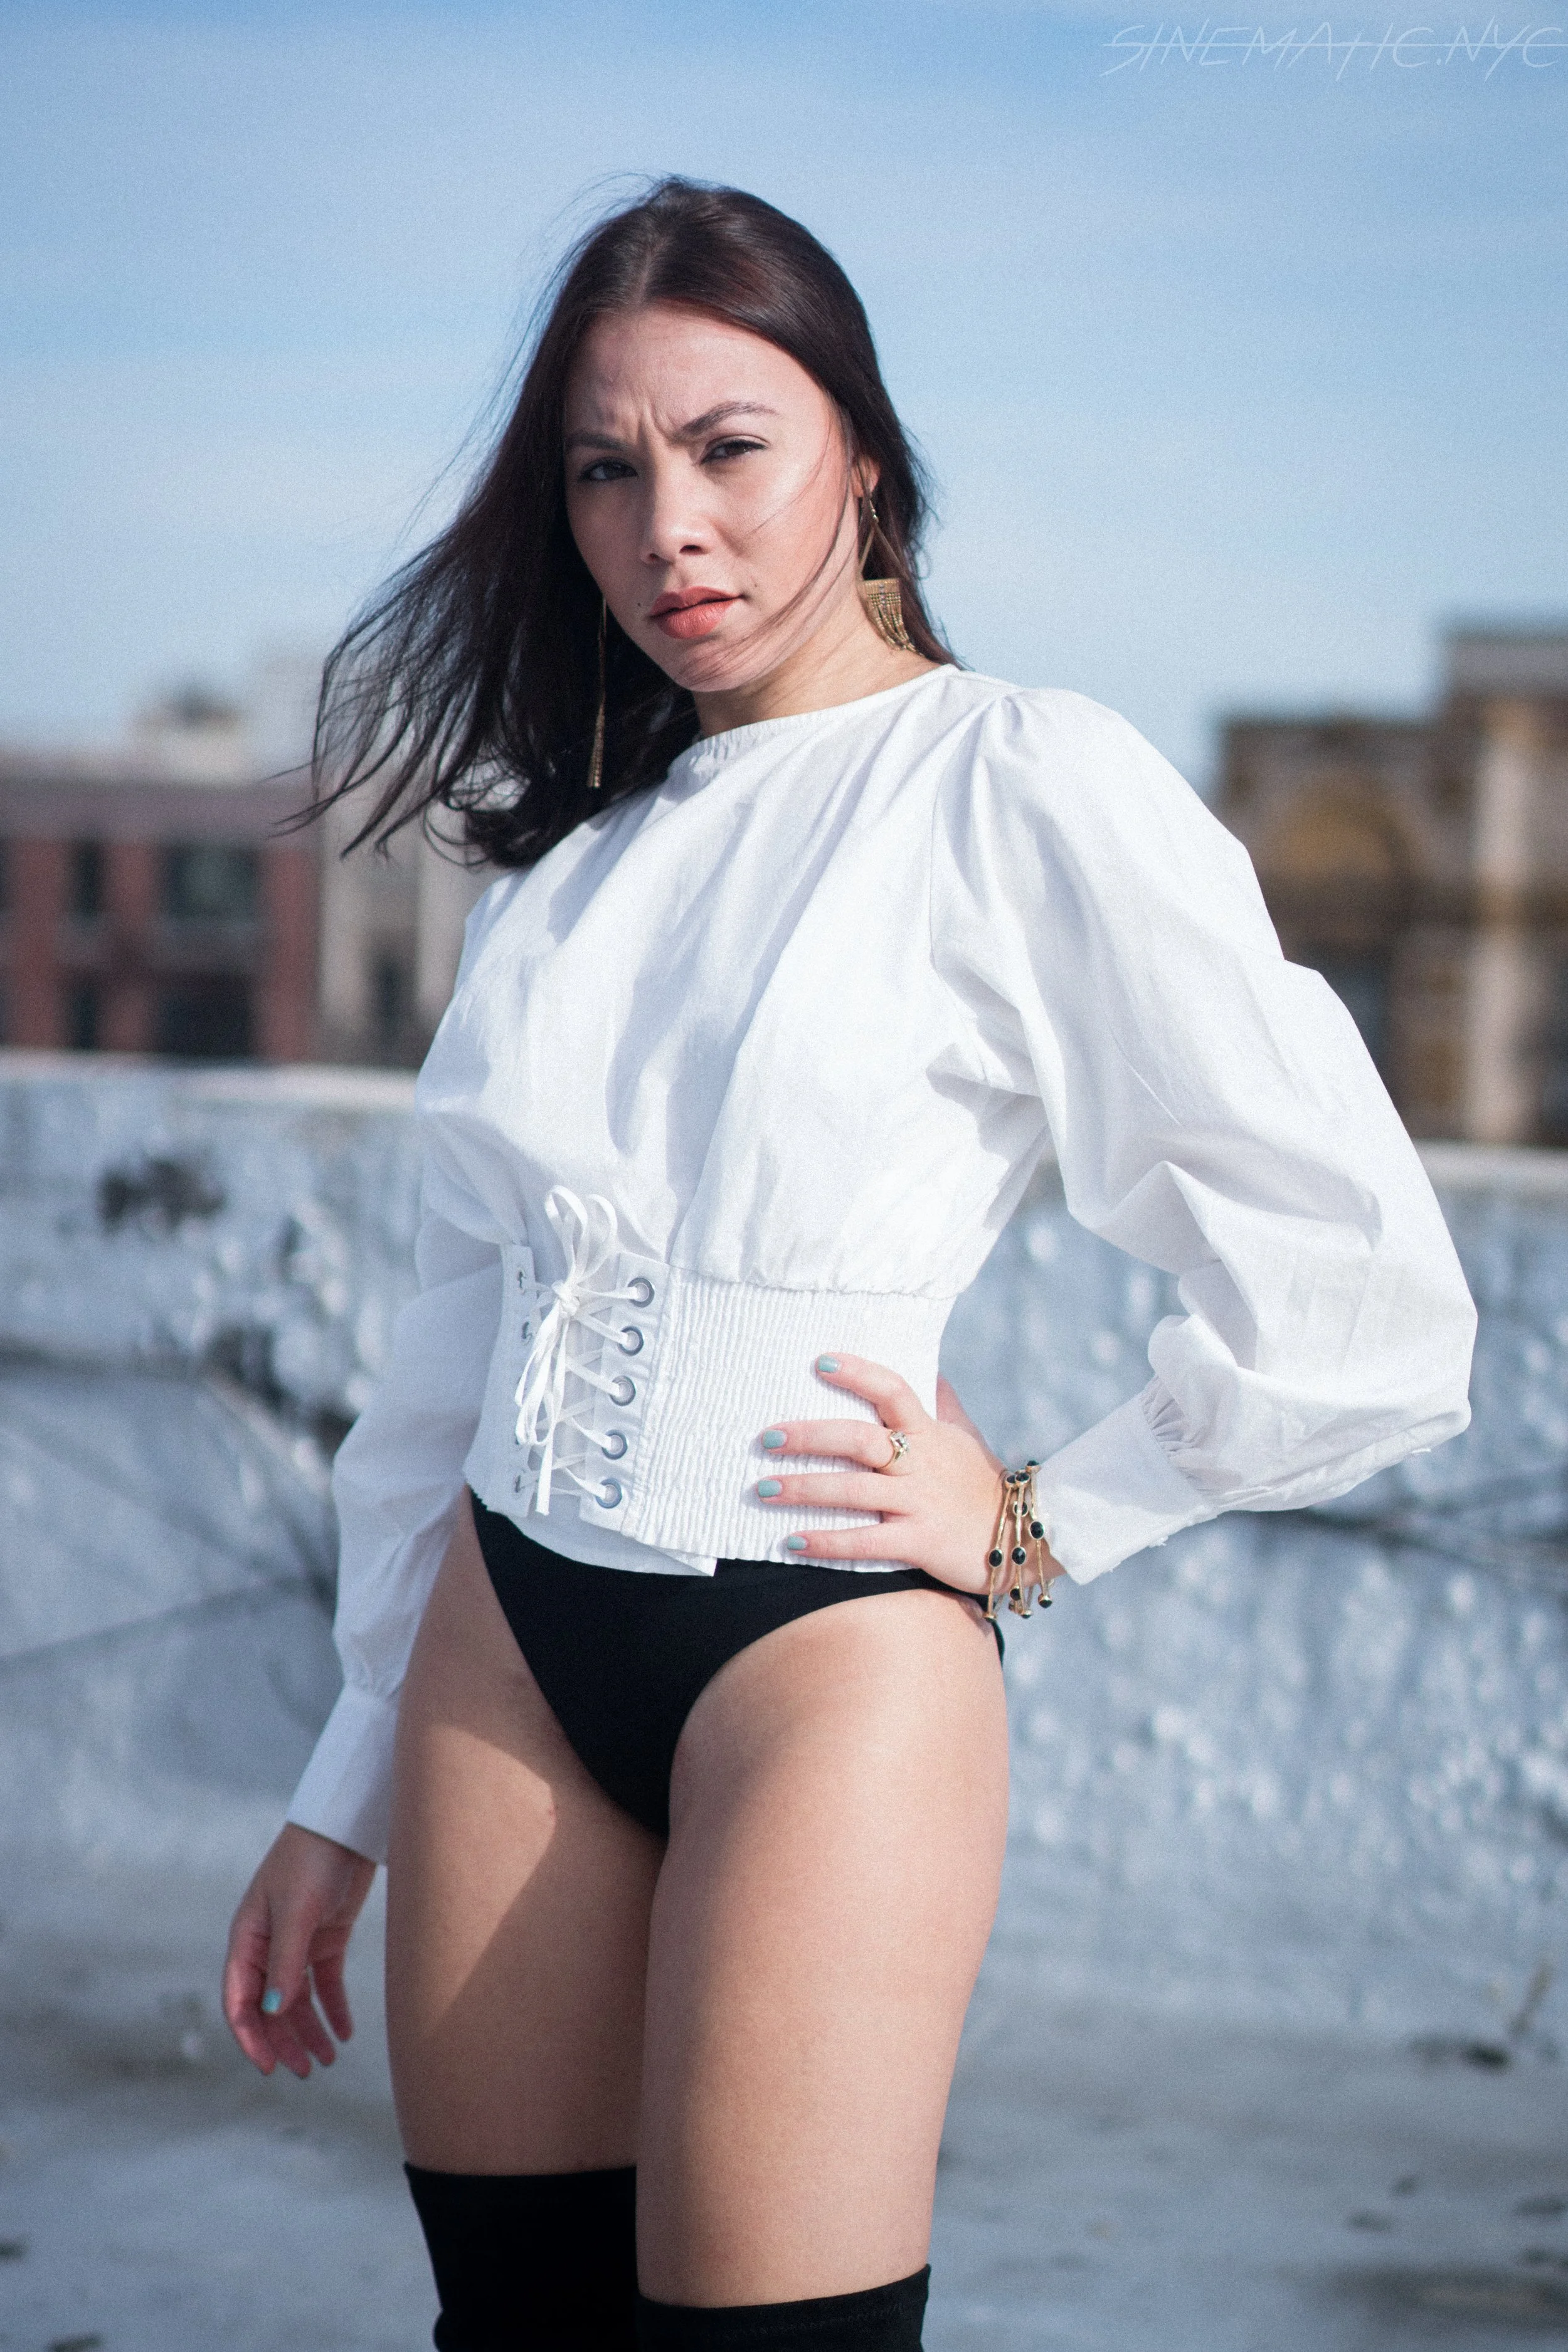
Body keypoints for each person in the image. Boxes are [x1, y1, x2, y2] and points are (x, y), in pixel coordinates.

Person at [222, 179, 1475, 2351]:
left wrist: (1038, 1519)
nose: (663, 529)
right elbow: (452, 1339)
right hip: (495, 1643)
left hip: (825, 1672)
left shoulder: (1024, 784)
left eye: (729, 447)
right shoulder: (575, 871)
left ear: (861, 461)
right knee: (515, 2329)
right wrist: (341, 1781)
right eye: (604, 473)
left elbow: (1361, 1284)